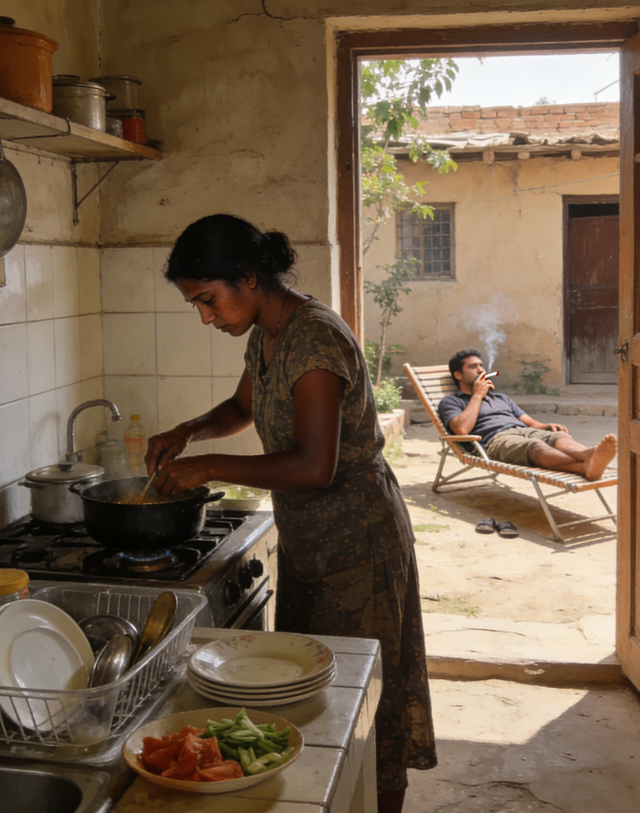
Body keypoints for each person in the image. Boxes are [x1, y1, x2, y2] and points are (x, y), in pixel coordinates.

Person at [145, 214, 436, 813]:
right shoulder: (266, 333)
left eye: (208, 299)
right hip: (311, 546)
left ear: (249, 279)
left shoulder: (315, 338)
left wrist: (209, 467)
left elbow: (314, 465)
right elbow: (240, 407)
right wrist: (189, 432)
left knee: (370, 705)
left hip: (360, 545)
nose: (205, 316)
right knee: (321, 704)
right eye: (195, 304)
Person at [438, 349, 617, 480]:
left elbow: (530, 423)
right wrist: (477, 395)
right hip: (494, 440)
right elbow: (462, 430)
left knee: (559, 435)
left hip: (522, 430)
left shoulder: (501, 398)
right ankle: (585, 463)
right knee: (535, 446)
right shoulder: (451, 402)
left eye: (481, 365)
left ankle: (588, 457)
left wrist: (547, 427)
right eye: (473, 367)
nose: (480, 370)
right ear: (458, 375)